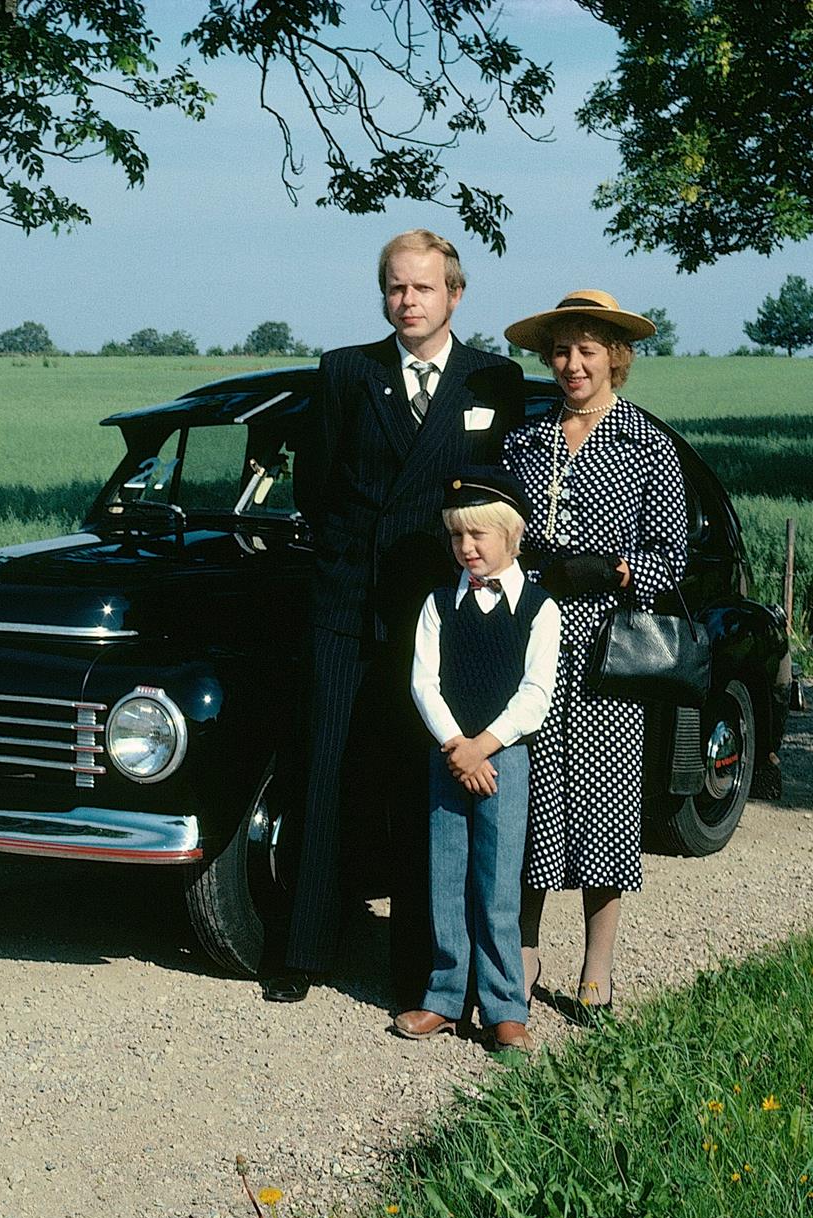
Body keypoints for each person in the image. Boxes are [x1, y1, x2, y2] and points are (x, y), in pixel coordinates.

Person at [263, 230, 526, 1008]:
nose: (406, 302)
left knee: (426, 791)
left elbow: (496, 490)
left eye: (421, 288)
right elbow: (318, 483)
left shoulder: (493, 379)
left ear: (455, 294)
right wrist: (352, 559)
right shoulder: (348, 371)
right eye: (394, 288)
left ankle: (422, 972)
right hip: (348, 604)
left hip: (439, 612)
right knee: (327, 772)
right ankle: (301, 950)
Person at [499, 290, 688, 1021]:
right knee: (534, 802)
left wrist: (611, 569)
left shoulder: (648, 444)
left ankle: (597, 968)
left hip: (609, 655)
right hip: (532, 646)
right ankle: (521, 954)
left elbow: (670, 559)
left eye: (587, 350)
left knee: (605, 809)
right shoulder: (526, 440)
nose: (572, 365)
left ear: (616, 355)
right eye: (561, 351)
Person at [392, 469, 560, 1053]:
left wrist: (481, 747)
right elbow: (424, 684)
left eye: (480, 536)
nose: (467, 548)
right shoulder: (439, 604)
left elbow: (535, 695)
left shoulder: (539, 609)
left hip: (504, 758)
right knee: (447, 873)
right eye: (458, 537)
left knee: (496, 882)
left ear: (512, 536)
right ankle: (443, 996)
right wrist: (456, 749)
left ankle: (504, 1007)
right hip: (449, 756)